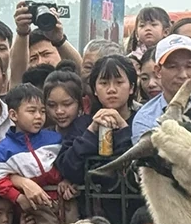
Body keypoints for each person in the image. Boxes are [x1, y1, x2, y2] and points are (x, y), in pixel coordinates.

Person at [0, 83, 77, 224]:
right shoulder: (5, 149)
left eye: (42, 111)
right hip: (38, 204)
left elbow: (67, 162)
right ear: (13, 115)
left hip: (65, 198)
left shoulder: (54, 139)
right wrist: (19, 198)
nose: (39, 116)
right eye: (32, 111)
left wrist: (67, 179)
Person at [57, 54, 138, 184]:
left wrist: (123, 128)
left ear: (131, 88)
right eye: (104, 83)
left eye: (119, 82)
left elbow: (140, 171)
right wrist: (91, 131)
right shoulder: (82, 124)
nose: (111, 89)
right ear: (95, 89)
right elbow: (67, 169)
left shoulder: (141, 121)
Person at [10, 1, 84, 86]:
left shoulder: (71, 88)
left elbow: (82, 73)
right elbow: (16, 75)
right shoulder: (25, 94)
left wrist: (59, 41)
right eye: (33, 58)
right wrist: (22, 32)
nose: (40, 62)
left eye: (46, 54)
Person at [44, 70, 85, 137]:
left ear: (80, 104)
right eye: (52, 105)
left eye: (67, 104)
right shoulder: (42, 138)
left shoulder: (90, 133)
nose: (59, 111)